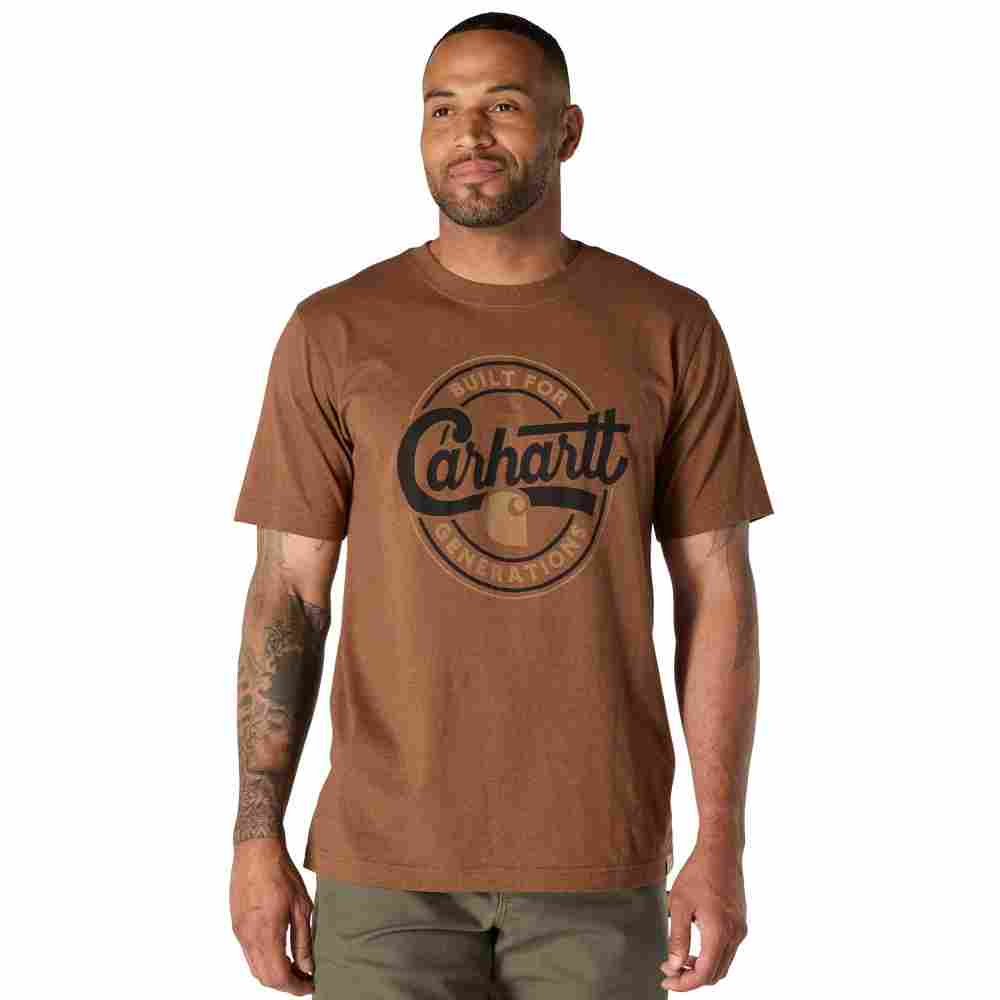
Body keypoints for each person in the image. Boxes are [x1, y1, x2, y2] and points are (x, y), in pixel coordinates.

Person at [229, 12, 774, 998]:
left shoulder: (667, 326)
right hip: (383, 862)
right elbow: (288, 596)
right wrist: (255, 836)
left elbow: (716, 591)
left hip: (599, 858)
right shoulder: (334, 330)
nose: (468, 134)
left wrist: (721, 841)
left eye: (504, 106)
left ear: (567, 131)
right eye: (442, 109)